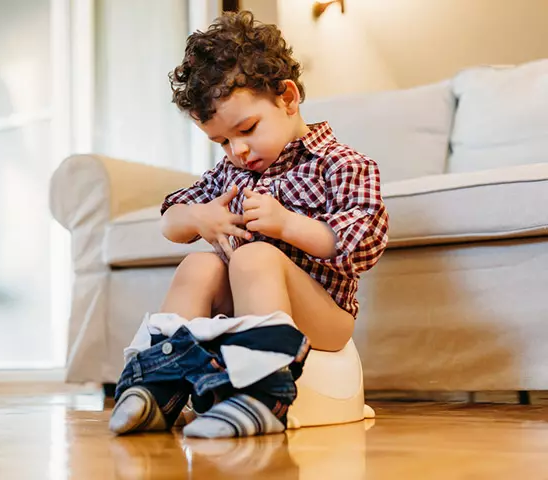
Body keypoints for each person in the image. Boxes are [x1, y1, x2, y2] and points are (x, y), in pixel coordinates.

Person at [109, 10, 389, 438]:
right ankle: (161, 385)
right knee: (198, 265)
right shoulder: (230, 174)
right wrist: (198, 217)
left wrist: (286, 224)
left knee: (256, 256)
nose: (237, 150)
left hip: (323, 318)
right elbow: (170, 221)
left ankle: (264, 392)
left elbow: (362, 243)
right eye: (221, 141)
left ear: (288, 98)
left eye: (247, 129)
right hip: (242, 307)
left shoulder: (342, 164)